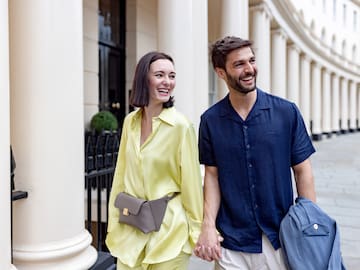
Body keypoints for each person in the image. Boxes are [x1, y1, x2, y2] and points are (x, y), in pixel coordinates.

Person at [194, 36, 317, 270]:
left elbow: (303, 172)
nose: (249, 69)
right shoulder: (210, 121)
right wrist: (208, 226)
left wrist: (309, 226)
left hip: (279, 239)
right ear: (221, 73)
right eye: (239, 64)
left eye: (251, 60)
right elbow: (212, 175)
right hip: (231, 241)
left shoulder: (286, 113)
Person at [106, 51, 203, 270]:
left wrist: (197, 232)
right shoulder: (130, 122)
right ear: (144, 79)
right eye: (160, 75)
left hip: (170, 231)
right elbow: (120, 175)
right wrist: (113, 221)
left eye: (172, 76)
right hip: (132, 229)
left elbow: (192, 184)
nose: (167, 82)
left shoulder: (181, 126)